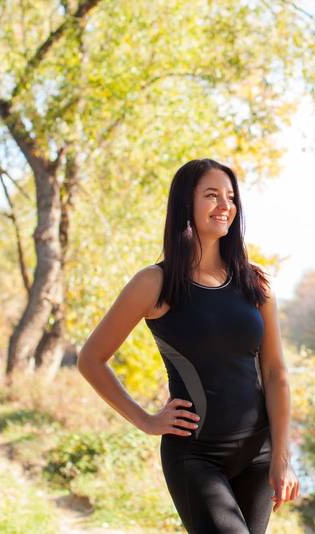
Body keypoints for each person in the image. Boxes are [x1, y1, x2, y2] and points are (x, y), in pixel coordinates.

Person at [77, 158, 299, 533]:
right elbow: (91, 359)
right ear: (186, 203)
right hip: (195, 456)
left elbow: (276, 372)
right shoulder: (155, 283)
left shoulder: (256, 282)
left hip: (257, 455)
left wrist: (282, 455)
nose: (225, 205)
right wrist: (146, 420)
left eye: (230, 197)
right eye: (211, 195)